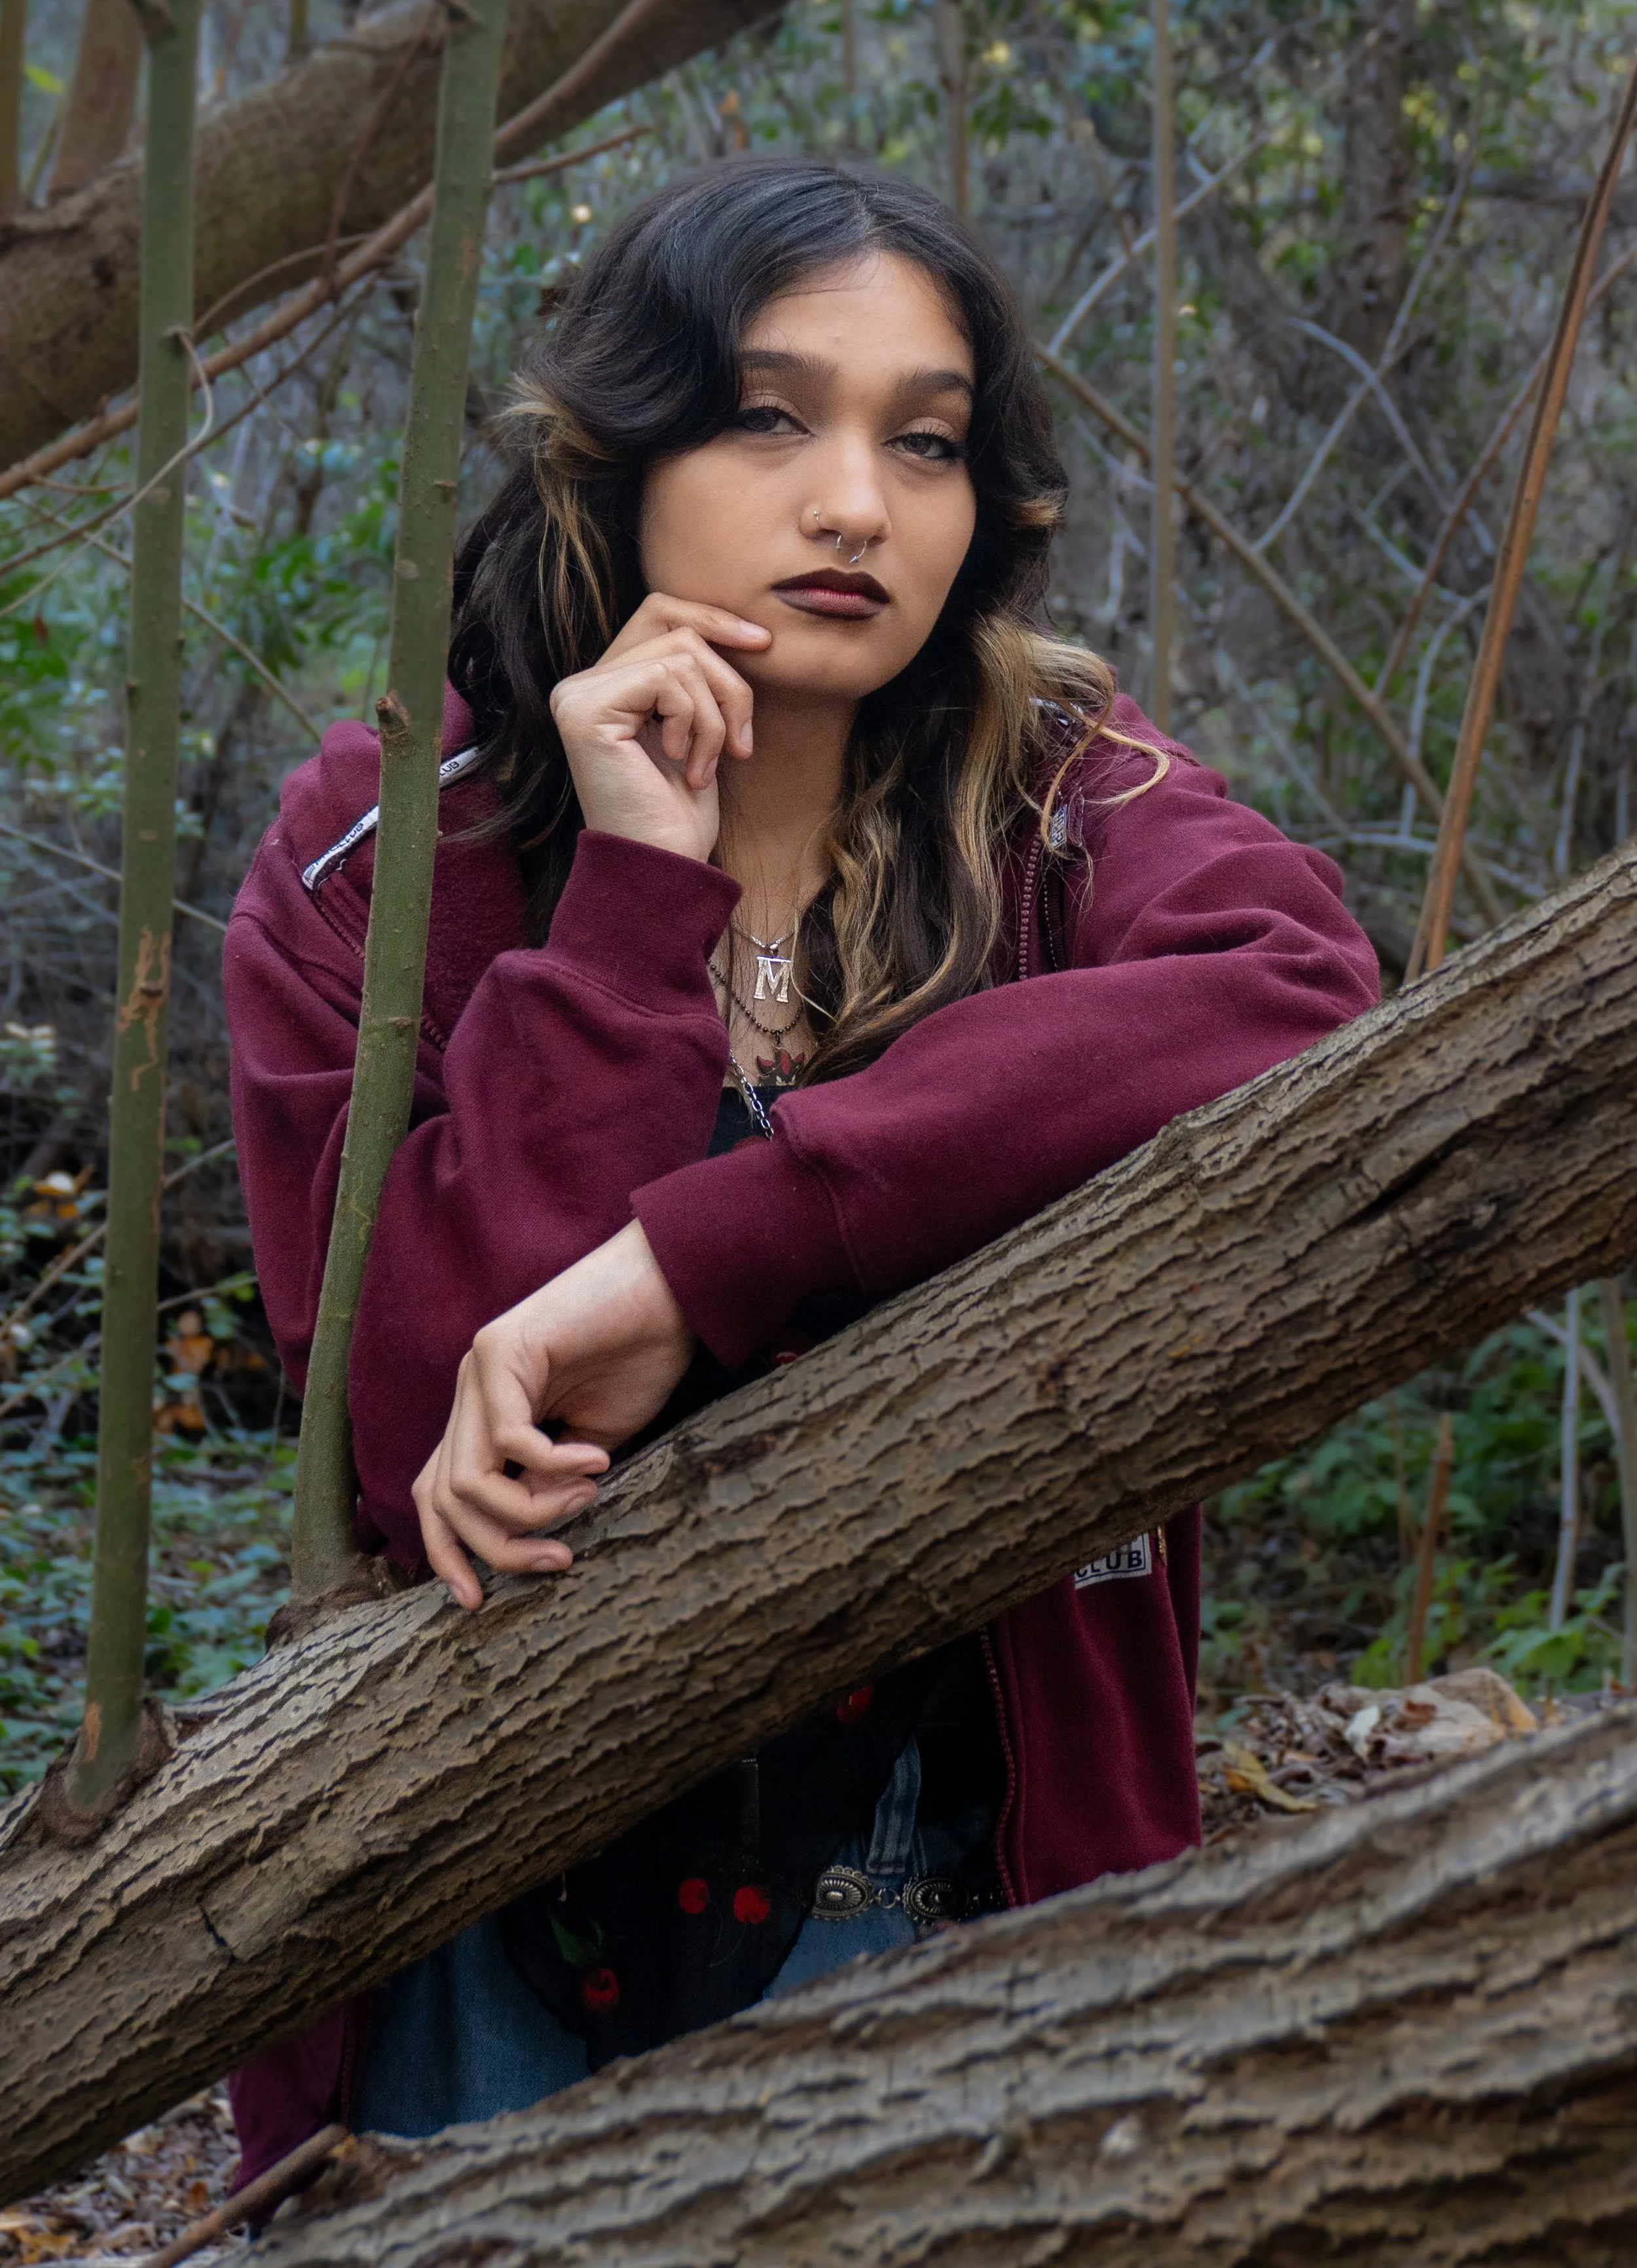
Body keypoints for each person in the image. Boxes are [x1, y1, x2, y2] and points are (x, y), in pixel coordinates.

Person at [222, 153, 1378, 2177]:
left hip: (959, 1870)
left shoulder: (1071, 805)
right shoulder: (389, 850)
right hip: (478, 1911)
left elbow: (1294, 992)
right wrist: (627, 914)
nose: (853, 500)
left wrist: (704, 1251)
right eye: (772, 417)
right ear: (620, 449)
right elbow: (420, 1420)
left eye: (921, 442)